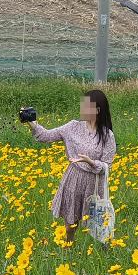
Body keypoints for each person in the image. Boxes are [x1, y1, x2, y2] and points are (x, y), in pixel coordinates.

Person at [23, 89, 116, 243]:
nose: (82, 108)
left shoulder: (107, 135)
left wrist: (91, 162)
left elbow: (107, 165)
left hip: (93, 183)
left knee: (98, 222)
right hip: (73, 178)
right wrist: (31, 123)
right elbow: (45, 136)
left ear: (97, 110)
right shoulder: (72, 127)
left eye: (86, 105)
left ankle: (104, 248)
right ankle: (69, 244)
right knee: (70, 223)